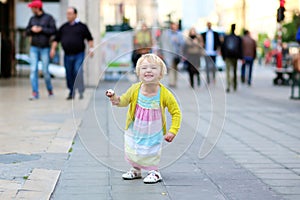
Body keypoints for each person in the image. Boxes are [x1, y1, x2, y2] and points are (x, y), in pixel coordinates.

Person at [106, 53, 181, 184]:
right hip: (135, 127)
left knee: (151, 149)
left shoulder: (164, 93)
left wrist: (172, 131)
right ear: (138, 73)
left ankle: (154, 171)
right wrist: (114, 98)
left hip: (154, 129)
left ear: (161, 73)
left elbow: (176, 113)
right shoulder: (135, 89)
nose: (148, 70)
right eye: (144, 68)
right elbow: (123, 100)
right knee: (133, 147)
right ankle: (136, 169)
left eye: (153, 68)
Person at [50, 7, 94, 100]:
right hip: (67, 54)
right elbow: (56, 39)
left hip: (79, 54)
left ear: (75, 15)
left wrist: (91, 49)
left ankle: (81, 90)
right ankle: (71, 91)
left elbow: (89, 38)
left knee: (77, 71)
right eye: (67, 14)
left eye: (70, 13)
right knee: (69, 73)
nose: (68, 16)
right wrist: (53, 49)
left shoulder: (82, 26)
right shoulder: (63, 27)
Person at [26, 0, 56, 100]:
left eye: (32, 8)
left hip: (45, 48)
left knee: (45, 71)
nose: (31, 10)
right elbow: (26, 32)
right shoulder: (32, 19)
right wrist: (31, 30)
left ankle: (50, 89)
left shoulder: (49, 18)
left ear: (37, 8)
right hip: (34, 47)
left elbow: (54, 31)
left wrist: (42, 29)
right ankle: (35, 93)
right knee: (33, 70)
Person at [221, 24, 243, 93]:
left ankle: (228, 85)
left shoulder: (226, 37)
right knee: (234, 71)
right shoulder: (238, 38)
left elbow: (223, 47)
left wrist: (223, 56)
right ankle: (234, 85)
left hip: (228, 56)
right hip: (235, 56)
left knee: (228, 71)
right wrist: (240, 57)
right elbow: (240, 48)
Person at [162, 22, 184, 88]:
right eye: (173, 26)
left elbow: (182, 43)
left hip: (177, 54)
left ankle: (175, 81)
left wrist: (178, 41)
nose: (174, 27)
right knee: (171, 68)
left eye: (175, 26)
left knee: (176, 68)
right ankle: (171, 82)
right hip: (169, 54)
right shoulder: (168, 34)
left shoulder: (179, 34)